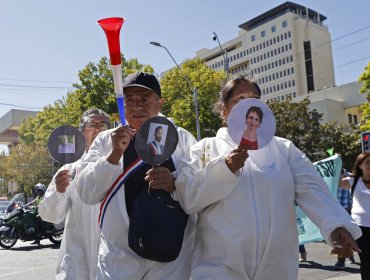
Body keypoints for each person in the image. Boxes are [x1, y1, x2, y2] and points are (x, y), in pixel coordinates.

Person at [175, 75, 362, 280]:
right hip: (219, 270)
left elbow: (313, 189)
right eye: (240, 99)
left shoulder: (283, 149)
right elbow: (188, 198)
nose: (248, 105)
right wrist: (224, 170)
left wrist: (336, 225)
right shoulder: (204, 149)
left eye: (255, 99)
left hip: (276, 269)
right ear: (223, 109)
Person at [76, 71, 197, 279]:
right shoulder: (106, 140)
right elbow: (86, 193)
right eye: (129, 100)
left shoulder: (182, 138)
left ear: (160, 103)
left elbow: (198, 192)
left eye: (145, 99)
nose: (137, 106)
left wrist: (174, 183)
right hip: (118, 259)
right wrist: (113, 156)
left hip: (171, 258)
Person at [38, 108, 110, 280]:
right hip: (77, 260)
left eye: (103, 125)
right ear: (81, 132)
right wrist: (59, 191)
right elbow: (49, 215)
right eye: (92, 124)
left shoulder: (121, 165)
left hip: (111, 258)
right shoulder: (68, 169)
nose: (98, 129)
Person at [350, 152, 370, 279]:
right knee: (367, 261)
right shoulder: (352, 181)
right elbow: (331, 181)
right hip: (361, 228)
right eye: (367, 162)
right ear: (360, 165)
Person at [335, 168, 356, 269]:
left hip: (347, 210)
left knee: (344, 236)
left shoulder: (350, 176)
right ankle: (346, 257)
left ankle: (342, 259)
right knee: (339, 237)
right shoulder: (332, 176)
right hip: (334, 210)